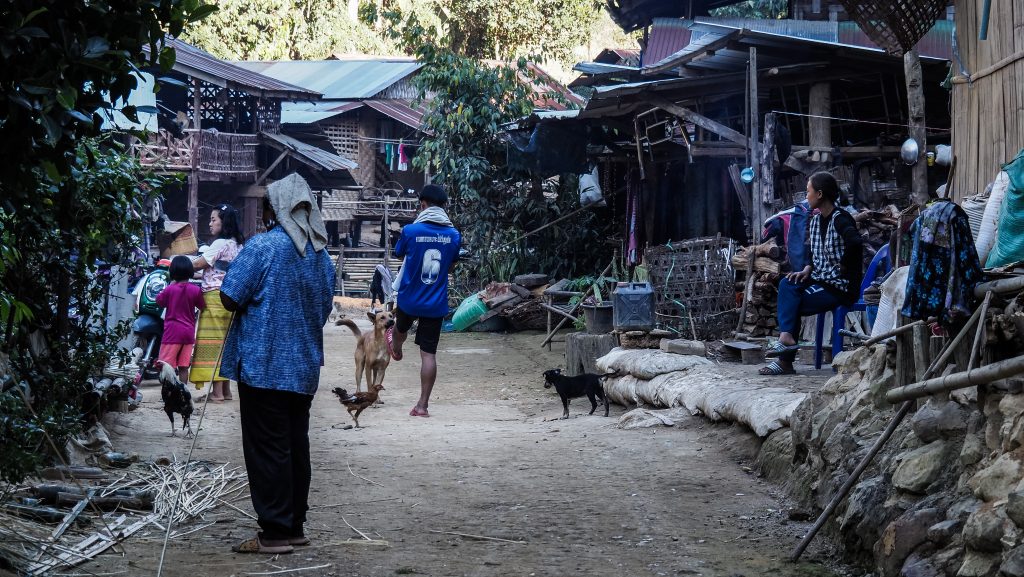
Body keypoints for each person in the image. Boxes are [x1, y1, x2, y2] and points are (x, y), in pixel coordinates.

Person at [219, 174, 334, 554]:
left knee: (268, 448)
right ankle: (294, 525)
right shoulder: (320, 255)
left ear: (275, 209)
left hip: (264, 364)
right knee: (294, 445)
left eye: (267, 205)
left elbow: (230, 296)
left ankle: (274, 532)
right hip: (303, 367)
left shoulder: (264, 247)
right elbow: (322, 308)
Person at [760, 172, 863, 376]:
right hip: (821, 279)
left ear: (820, 194)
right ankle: (787, 339)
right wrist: (807, 267)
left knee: (793, 303)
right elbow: (811, 250)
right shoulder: (816, 221)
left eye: (808, 191)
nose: (806, 196)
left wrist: (844, 265)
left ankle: (785, 359)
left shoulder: (840, 219)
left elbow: (856, 242)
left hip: (840, 286)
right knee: (787, 284)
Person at [387, 184, 461, 417]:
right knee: (428, 354)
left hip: (410, 298)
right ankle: (422, 406)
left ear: (423, 205)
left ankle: (396, 348)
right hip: (435, 303)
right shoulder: (454, 235)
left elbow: (399, 253)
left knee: (400, 327)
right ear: (444, 207)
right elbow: (451, 266)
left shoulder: (410, 231)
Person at [190, 204, 243, 401]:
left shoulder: (219, 244)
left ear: (224, 222)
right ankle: (226, 391)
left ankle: (217, 393)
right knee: (225, 344)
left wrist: (177, 264)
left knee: (212, 344)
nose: (210, 223)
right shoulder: (238, 246)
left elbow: (199, 264)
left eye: (213, 220)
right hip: (231, 299)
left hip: (213, 298)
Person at [155, 256, 205, 384]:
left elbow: (159, 301)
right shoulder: (195, 290)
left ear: (173, 272)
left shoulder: (170, 289)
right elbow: (202, 306)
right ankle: (184, 393)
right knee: (184, 367)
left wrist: (170, 285)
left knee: (166, 366)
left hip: (172, 333)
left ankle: (169, 393)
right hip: (188, 333)